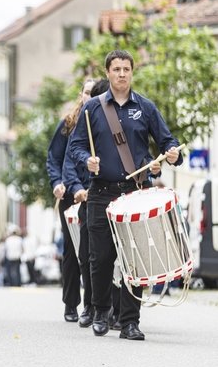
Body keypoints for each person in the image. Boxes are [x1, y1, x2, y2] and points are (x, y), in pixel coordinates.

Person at [69, 49, 182, 341]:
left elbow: (169, 142)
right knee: (101, 258)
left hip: (135, 193)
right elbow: (76, 146)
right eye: (116, 69)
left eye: (126, 69)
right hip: (101, 193)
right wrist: (87, 160)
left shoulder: (145, 108)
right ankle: (101, 311)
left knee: (134, 260)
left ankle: (131, 322)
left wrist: (171, 155)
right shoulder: (92, 108)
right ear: (108, 73)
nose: (121, 74)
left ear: (132, 72)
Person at [46, 78, 95, 322]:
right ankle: (70, 303)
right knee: (72, 249)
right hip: (69, 195)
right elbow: (54, 158)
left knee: (93, 251)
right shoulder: (68, 124)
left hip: (95, 194)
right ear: (81, 95)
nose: (89, 96)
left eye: (94, 93)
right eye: (87, 92)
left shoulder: (101, 122)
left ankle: (94, 304)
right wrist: (57, 183)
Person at [62, 78, 109, 327]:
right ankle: (84, 304)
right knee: (84, 254)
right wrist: (76, 188)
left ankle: (114, 309)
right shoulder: (74, 125)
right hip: (83, 197)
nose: (91, 98)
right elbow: (67, 161)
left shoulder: (113, 120)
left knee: (110, 255)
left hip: (109, 194)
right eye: (88, 93)